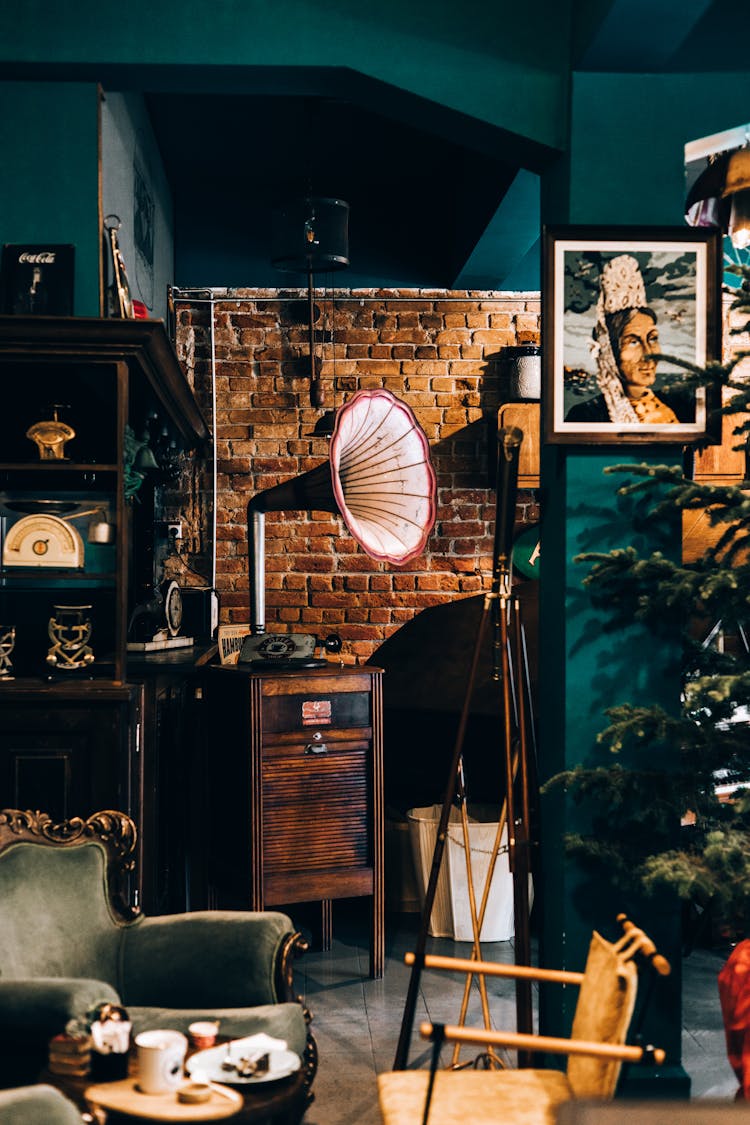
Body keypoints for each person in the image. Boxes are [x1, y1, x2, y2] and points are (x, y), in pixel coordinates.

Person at [565, 253, 693, 424]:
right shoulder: (586, 416)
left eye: (653, 339)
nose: (649, 354)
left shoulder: (681, 405)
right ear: (609, 353)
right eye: (633, 341)